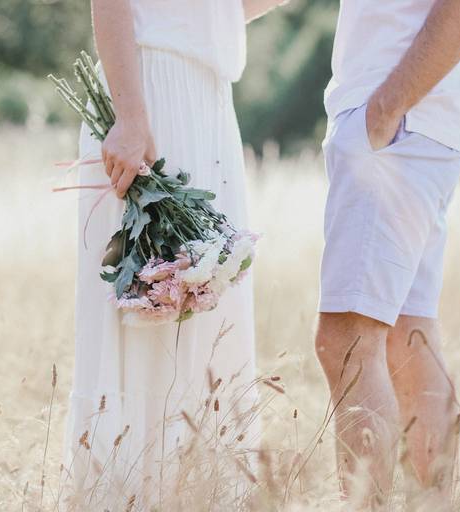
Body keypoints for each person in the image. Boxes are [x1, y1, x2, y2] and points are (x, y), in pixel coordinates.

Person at [63, 0, 285, 506]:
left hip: (208, 96)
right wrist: (132, 117)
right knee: (140, 309)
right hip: (146, 88)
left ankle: (197, 492)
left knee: (206, 309)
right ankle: (123, 493)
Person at [315, 0, 460, 506]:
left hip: (398, 123)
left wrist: (386, 108)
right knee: (406, 336)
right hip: (411, 124)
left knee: (347, 339)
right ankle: (433, 505)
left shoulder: (391, 116)